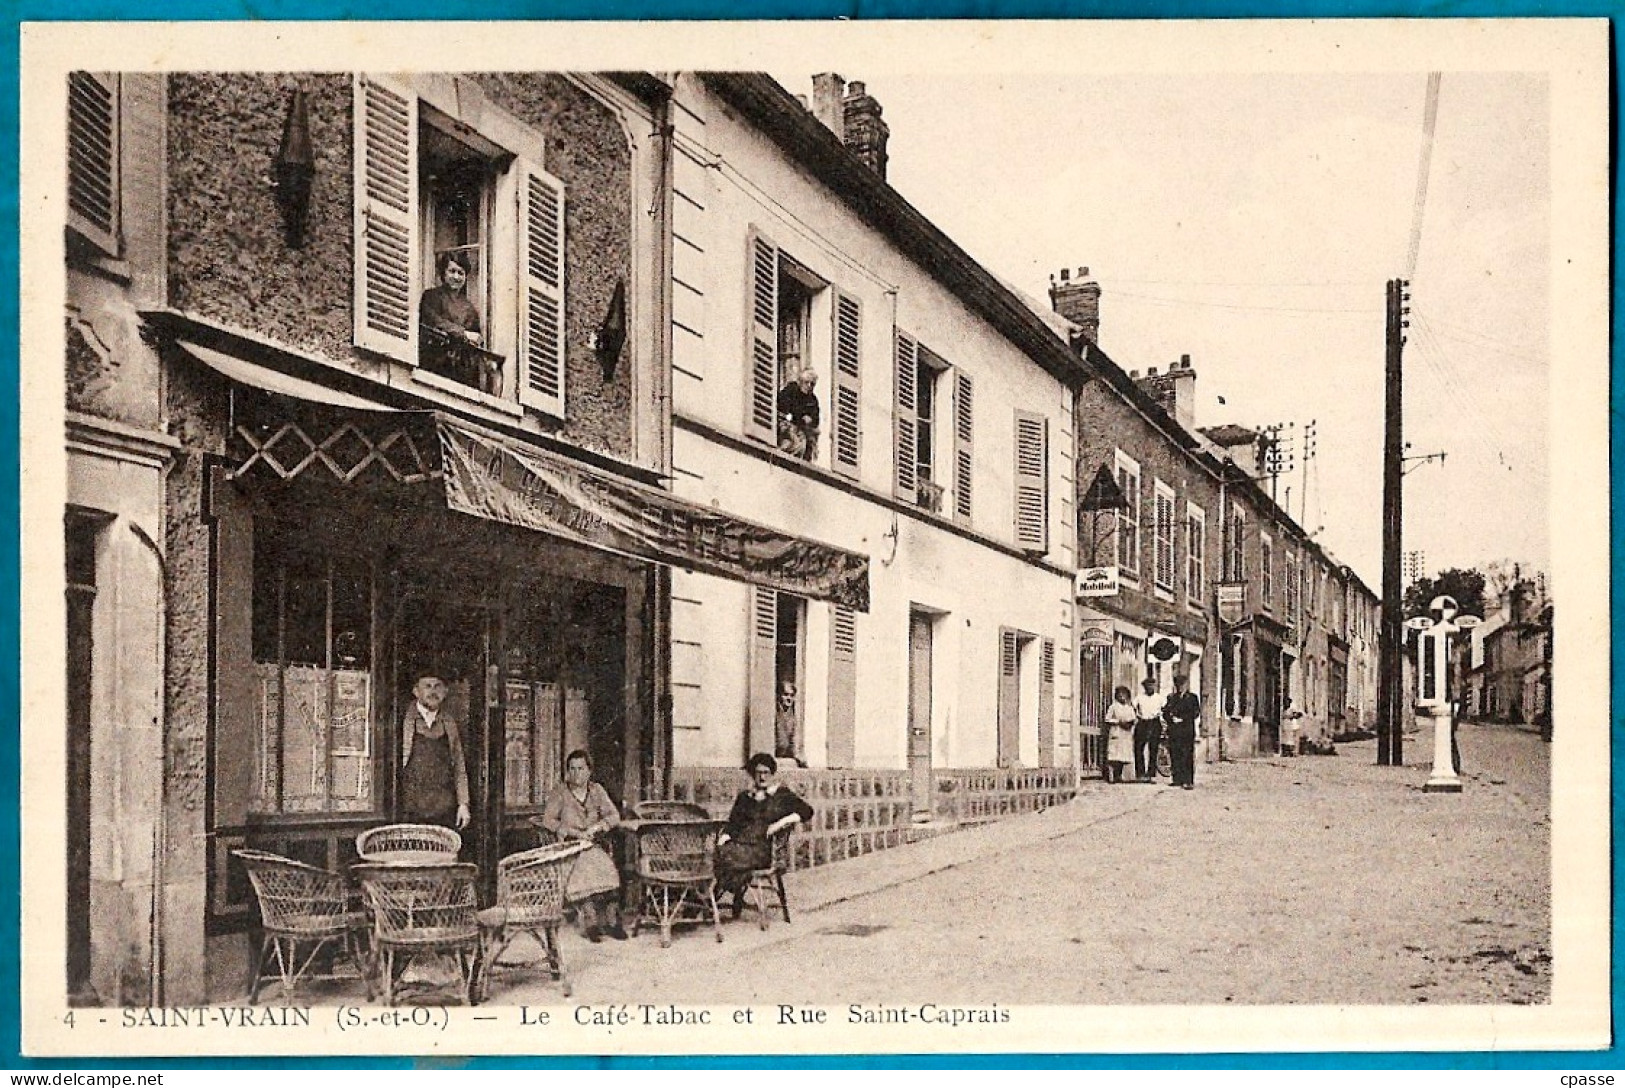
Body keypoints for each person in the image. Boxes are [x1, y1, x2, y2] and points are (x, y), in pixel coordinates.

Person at [539, 750, 627, 942]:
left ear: (589, 771)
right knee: (584, 868)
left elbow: (614, 816)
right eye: (572, 769)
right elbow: (547, 820)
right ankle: (591, 922)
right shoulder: (560, 792)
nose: (576, 773)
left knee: (607, 867)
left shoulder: (596, 791)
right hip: (570, 846)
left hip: (593, 844)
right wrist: (572, 832)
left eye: (581, 769)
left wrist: (599, 826)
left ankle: (612, 921)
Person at [716, 753, 813, 915]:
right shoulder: (745, 797)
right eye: (758, 772)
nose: (762, 777)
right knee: (716, 854)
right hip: (741, 845)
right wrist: (725, 836)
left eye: (766, 772)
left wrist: (781, 823)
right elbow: (733, 823)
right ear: (753, 774)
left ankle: (706, 897)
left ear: (772, 773)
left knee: (719, 859)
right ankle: (706, 896)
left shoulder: (781, 795)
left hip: (763, 850)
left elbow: (807, 811)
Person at [399, 672, 471, 832]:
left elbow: (459, 766)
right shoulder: (403, 719)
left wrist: (463, 804)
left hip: (443, 809)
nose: (433, 691)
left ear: (445, 692)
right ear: (416, 691)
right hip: (410, 809)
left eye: (438, 687)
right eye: (427, 686)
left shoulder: (449, 722)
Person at [420, 252, 497, 393]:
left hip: (460, 371)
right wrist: (463, 334)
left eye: (460, 273)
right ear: (443, 273)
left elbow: (475, 340)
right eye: (452, 271)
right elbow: (434, 321)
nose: (456, 277)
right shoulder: (431, 296)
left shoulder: (469, 309)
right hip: (435, 364)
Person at [1163, 672, 1202, 790]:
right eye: (1177, 685)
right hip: (1174, 731)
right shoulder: (1171, 698)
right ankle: (1177, 779)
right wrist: (1171, 719)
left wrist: (1182, 719)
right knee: (1175, 754)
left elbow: (1195, 713)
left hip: (1186, 731)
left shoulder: (1192, 698)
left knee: (1187, 755)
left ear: (1186, 685)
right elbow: (1165, 712)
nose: (1180, 687)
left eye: (1182, 685)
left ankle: (1188, 780)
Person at [776, 369, 821, 461]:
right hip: (787, 423)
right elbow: (784, 405)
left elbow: (815, 419)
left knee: (803, 444)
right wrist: (800, 415)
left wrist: (810, 419)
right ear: (800, 381)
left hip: (802, 428)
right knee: (794, 443)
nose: (809, 386)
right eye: (806, 382)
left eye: (812, 384)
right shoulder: (792, 389)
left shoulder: (813, 400)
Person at [1131, 677, 1167, 782]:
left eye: (1152, 685)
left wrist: (1163, 723)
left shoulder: (1160, 698)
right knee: (1139, 748)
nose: (1150, 687)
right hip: (1142, 722)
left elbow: (1164, 709)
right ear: (1144, 687)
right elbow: (1132, 707)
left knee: (1153, 749)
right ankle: (1140, 774)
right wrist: (1137, 716)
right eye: (1148, 685)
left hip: (1154, 722)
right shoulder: (1139, 697)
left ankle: (1151, 774)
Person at [1102, 685, 1136, 783]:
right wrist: (1118, 721)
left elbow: (1133, 718)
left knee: (1123, 755)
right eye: (1120, 695)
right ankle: (1112, 775)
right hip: (1116, 730)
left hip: (1126, 733)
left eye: (1124, 695)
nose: (1122, 697)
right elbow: (1107, 719)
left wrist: (1129, 724)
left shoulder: (1129, 708)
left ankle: (1119, 775)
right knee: (1115, 755)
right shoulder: (1113, 707)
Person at [774, 681, 806, 768]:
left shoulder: (793, 715)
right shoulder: (773, 713)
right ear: (779, 695)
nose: (789, 698)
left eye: (792, 695)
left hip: (786, 758)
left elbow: (794, 739)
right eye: (786, 694)